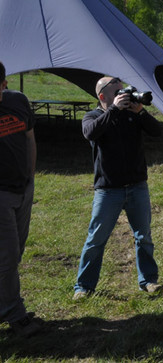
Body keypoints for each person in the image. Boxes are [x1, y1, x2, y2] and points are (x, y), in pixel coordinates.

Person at [73, 77, 162, 299]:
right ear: (103, 96)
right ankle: (83, 287)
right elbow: (90, 133)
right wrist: (112, 110)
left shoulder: (131, 114)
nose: (122, 95)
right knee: (96, 239)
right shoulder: (93, 116)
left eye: (123, 91)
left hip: (137, 186)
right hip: (108, 189)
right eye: (117, 92)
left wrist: (140, 112)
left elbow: (157, 131)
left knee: (144, 236)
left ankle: (149, 281)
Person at [0, 62, 43, 336]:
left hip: (22, 188)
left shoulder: (18, 101)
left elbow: (29, 138)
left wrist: (30, 176)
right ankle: (15, 316)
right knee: (7, 255)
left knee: (14, 254)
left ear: (3, 84)